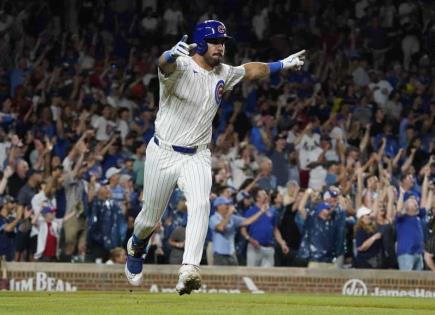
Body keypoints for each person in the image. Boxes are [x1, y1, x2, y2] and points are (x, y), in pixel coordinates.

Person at [124, 19, 306, 295]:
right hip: (163, 152)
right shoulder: (181, 65)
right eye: (214, 41)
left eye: (222, 41)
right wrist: (169, 54)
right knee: (150, 218)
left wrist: (283, 63)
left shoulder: (223, 72)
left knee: (200, 205)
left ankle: (189, 269)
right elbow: (163, 65)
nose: (220, 46)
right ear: (198, 42)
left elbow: (251, 71)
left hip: (197, 155)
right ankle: (137, 244)